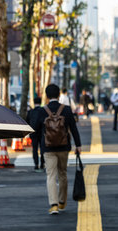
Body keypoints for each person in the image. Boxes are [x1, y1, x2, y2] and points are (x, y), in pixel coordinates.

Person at [34, 84, 82, 215]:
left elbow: (36, 129)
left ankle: (53, 205)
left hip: (48, 148)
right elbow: (73, 128)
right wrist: (78, 145)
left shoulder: (42, 111)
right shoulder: (66, 110)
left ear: (47, 96)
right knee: (63, 174)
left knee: (51, 175)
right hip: (63, 147)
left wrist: (38, 146)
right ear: (59, 94)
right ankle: (62, 201)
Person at [26, 96, 45, 172]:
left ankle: (36, 164)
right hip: (42, 132)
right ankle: (42, 163)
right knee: (42, 148)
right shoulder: (43, 111)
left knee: (35, 149)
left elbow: (27, 122)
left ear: (34, 103)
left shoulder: (30, 112)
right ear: (40, 103)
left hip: (33, 132)